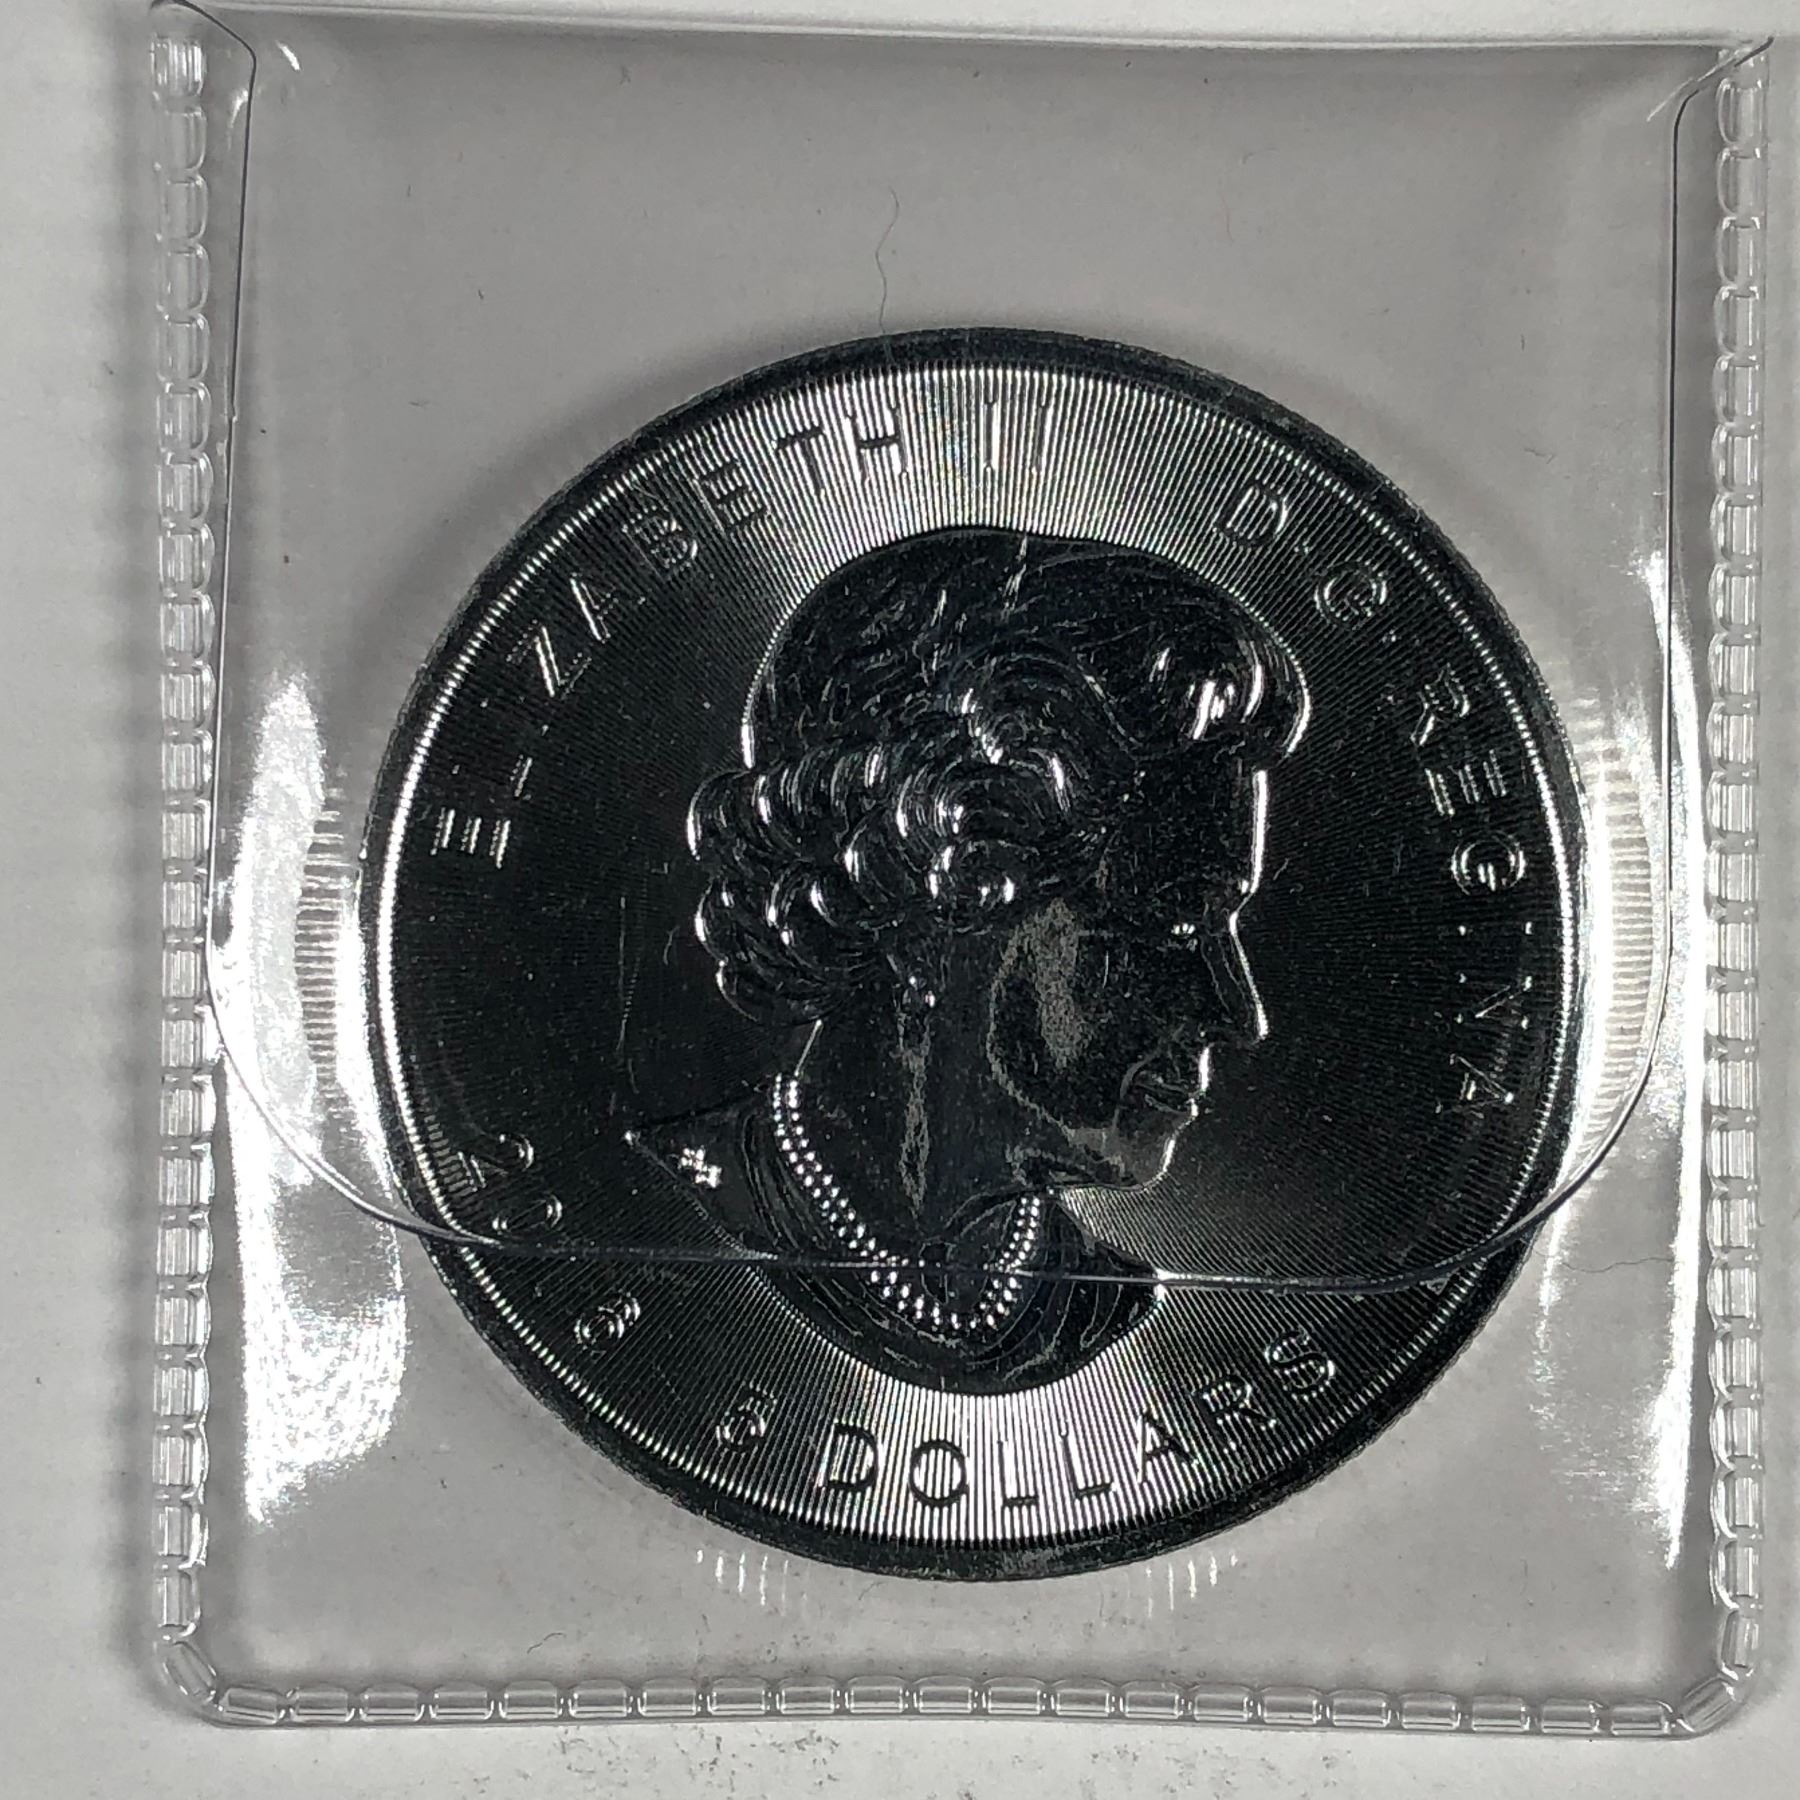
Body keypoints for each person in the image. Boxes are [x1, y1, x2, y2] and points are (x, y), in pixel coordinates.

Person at [628, 527, 1307, 1393]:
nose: (1236, 1015)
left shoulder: (1104, 1308)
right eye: (1174, 920)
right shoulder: (660, 1221)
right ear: (932, 920)